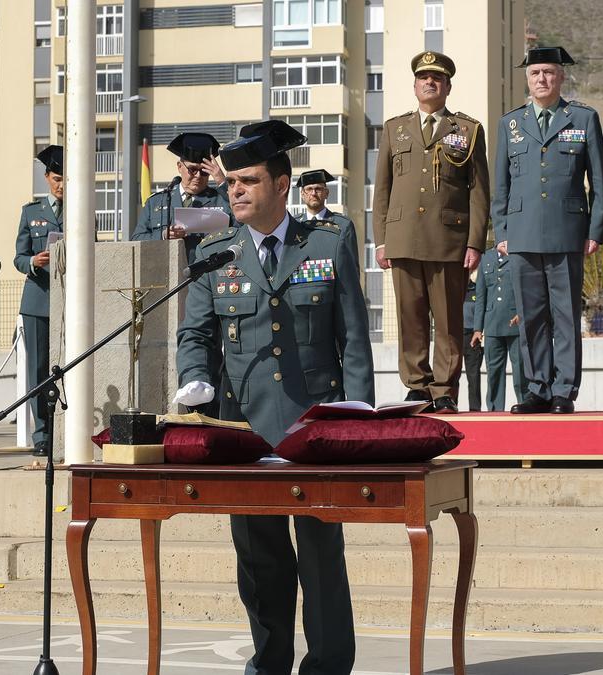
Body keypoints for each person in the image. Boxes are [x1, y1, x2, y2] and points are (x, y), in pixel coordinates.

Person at [174, 119, 373, 675]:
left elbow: (353, 339)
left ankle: (328, 666)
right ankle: (269, 664)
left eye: (248, 181)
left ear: (282, 185)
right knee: (259, 561)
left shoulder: (327, 243)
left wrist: (358, 418)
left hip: (316, 430)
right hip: (246, 432)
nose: (235, 190)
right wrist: (196, 376)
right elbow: (195, 333)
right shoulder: (216, 252)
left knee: (321, 559)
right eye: (232, 182)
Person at [493, 46, 603, 415]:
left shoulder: (583, 119)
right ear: (527, 79)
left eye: (548, 72)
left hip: (567, 231)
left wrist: (595, 230)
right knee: (531, 316)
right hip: (522, 232)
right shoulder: (510, 124)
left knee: (565, 316)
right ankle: (538, 389)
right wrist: (501, 231)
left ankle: (564, 390)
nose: (541, 79)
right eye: (535, 73)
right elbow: (501, 185)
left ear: (561, 77)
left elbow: (598, 182)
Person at [373, 50, 489, 414]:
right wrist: (381, 240)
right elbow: (382, 189)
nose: (430, 82)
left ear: (448, 87)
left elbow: (479, 191)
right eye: (424, 77)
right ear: (415, 86)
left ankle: (444, 389)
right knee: (410, 318)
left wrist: (475, 242)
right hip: (403, 238)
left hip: (449, 241)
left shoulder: (467, 130)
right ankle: (417, 386)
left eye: (437, 78)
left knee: (449, 320)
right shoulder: (395, 129)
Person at [14, 145, 64, 456]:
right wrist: (34, 261)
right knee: (38, 370)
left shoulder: (82, 209)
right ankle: (42, 434)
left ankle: (69, 429)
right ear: (47, 177)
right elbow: (18, 257)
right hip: (38, 300)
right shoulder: (31, 212)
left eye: (67, 179)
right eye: (57, 179)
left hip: (71, 301)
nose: (62, 185)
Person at [131, 132, 232, 265]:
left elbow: (242, 226)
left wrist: (223, 183)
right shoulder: (157, 201)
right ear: (180, 167)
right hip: (167, 270)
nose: (198, 176)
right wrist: (163, 235)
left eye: (204, 171)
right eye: (192, 170)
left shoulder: (222, 199)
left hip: (207, 272)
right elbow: (136, 239)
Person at [473, 248, 527, 411]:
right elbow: (480, 296)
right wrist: (477, 328)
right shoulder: (486, 258)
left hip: (515, 323)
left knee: (520, 371)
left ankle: (525, 404)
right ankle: (495, 410)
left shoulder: (517, 254)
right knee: (493, 372)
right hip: (492, 324)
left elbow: (525, 288)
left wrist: (522, 313)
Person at [461, 277, 483, 411]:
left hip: (472, 337)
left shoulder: (477, 289)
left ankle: (475, 409)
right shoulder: (453, 290)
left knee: (473, 375)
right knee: (451, 375)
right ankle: (449, 405)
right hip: (455, 336)